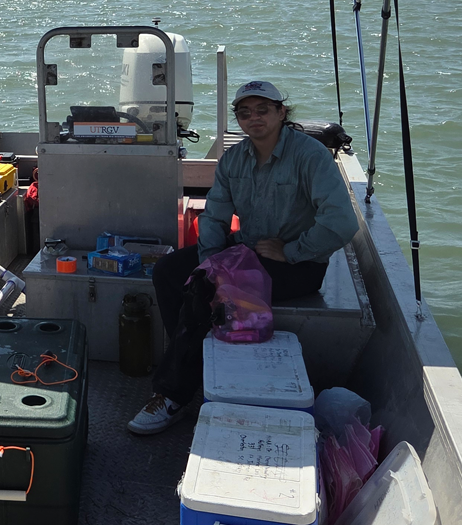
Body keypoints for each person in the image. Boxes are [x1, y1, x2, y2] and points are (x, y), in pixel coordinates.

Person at [128, 80, 360, 435]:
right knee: (170, 271)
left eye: (263, 110)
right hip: (246, 253)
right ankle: (200, 365)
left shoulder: (309, 156)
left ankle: (172, 393)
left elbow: (342, 222)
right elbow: (216, 217)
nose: (254, 118)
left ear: (281, 113)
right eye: (245, 112)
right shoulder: (234, 159)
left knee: (201, 291)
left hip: (299, 265)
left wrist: (290, 251)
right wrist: (211, 261)